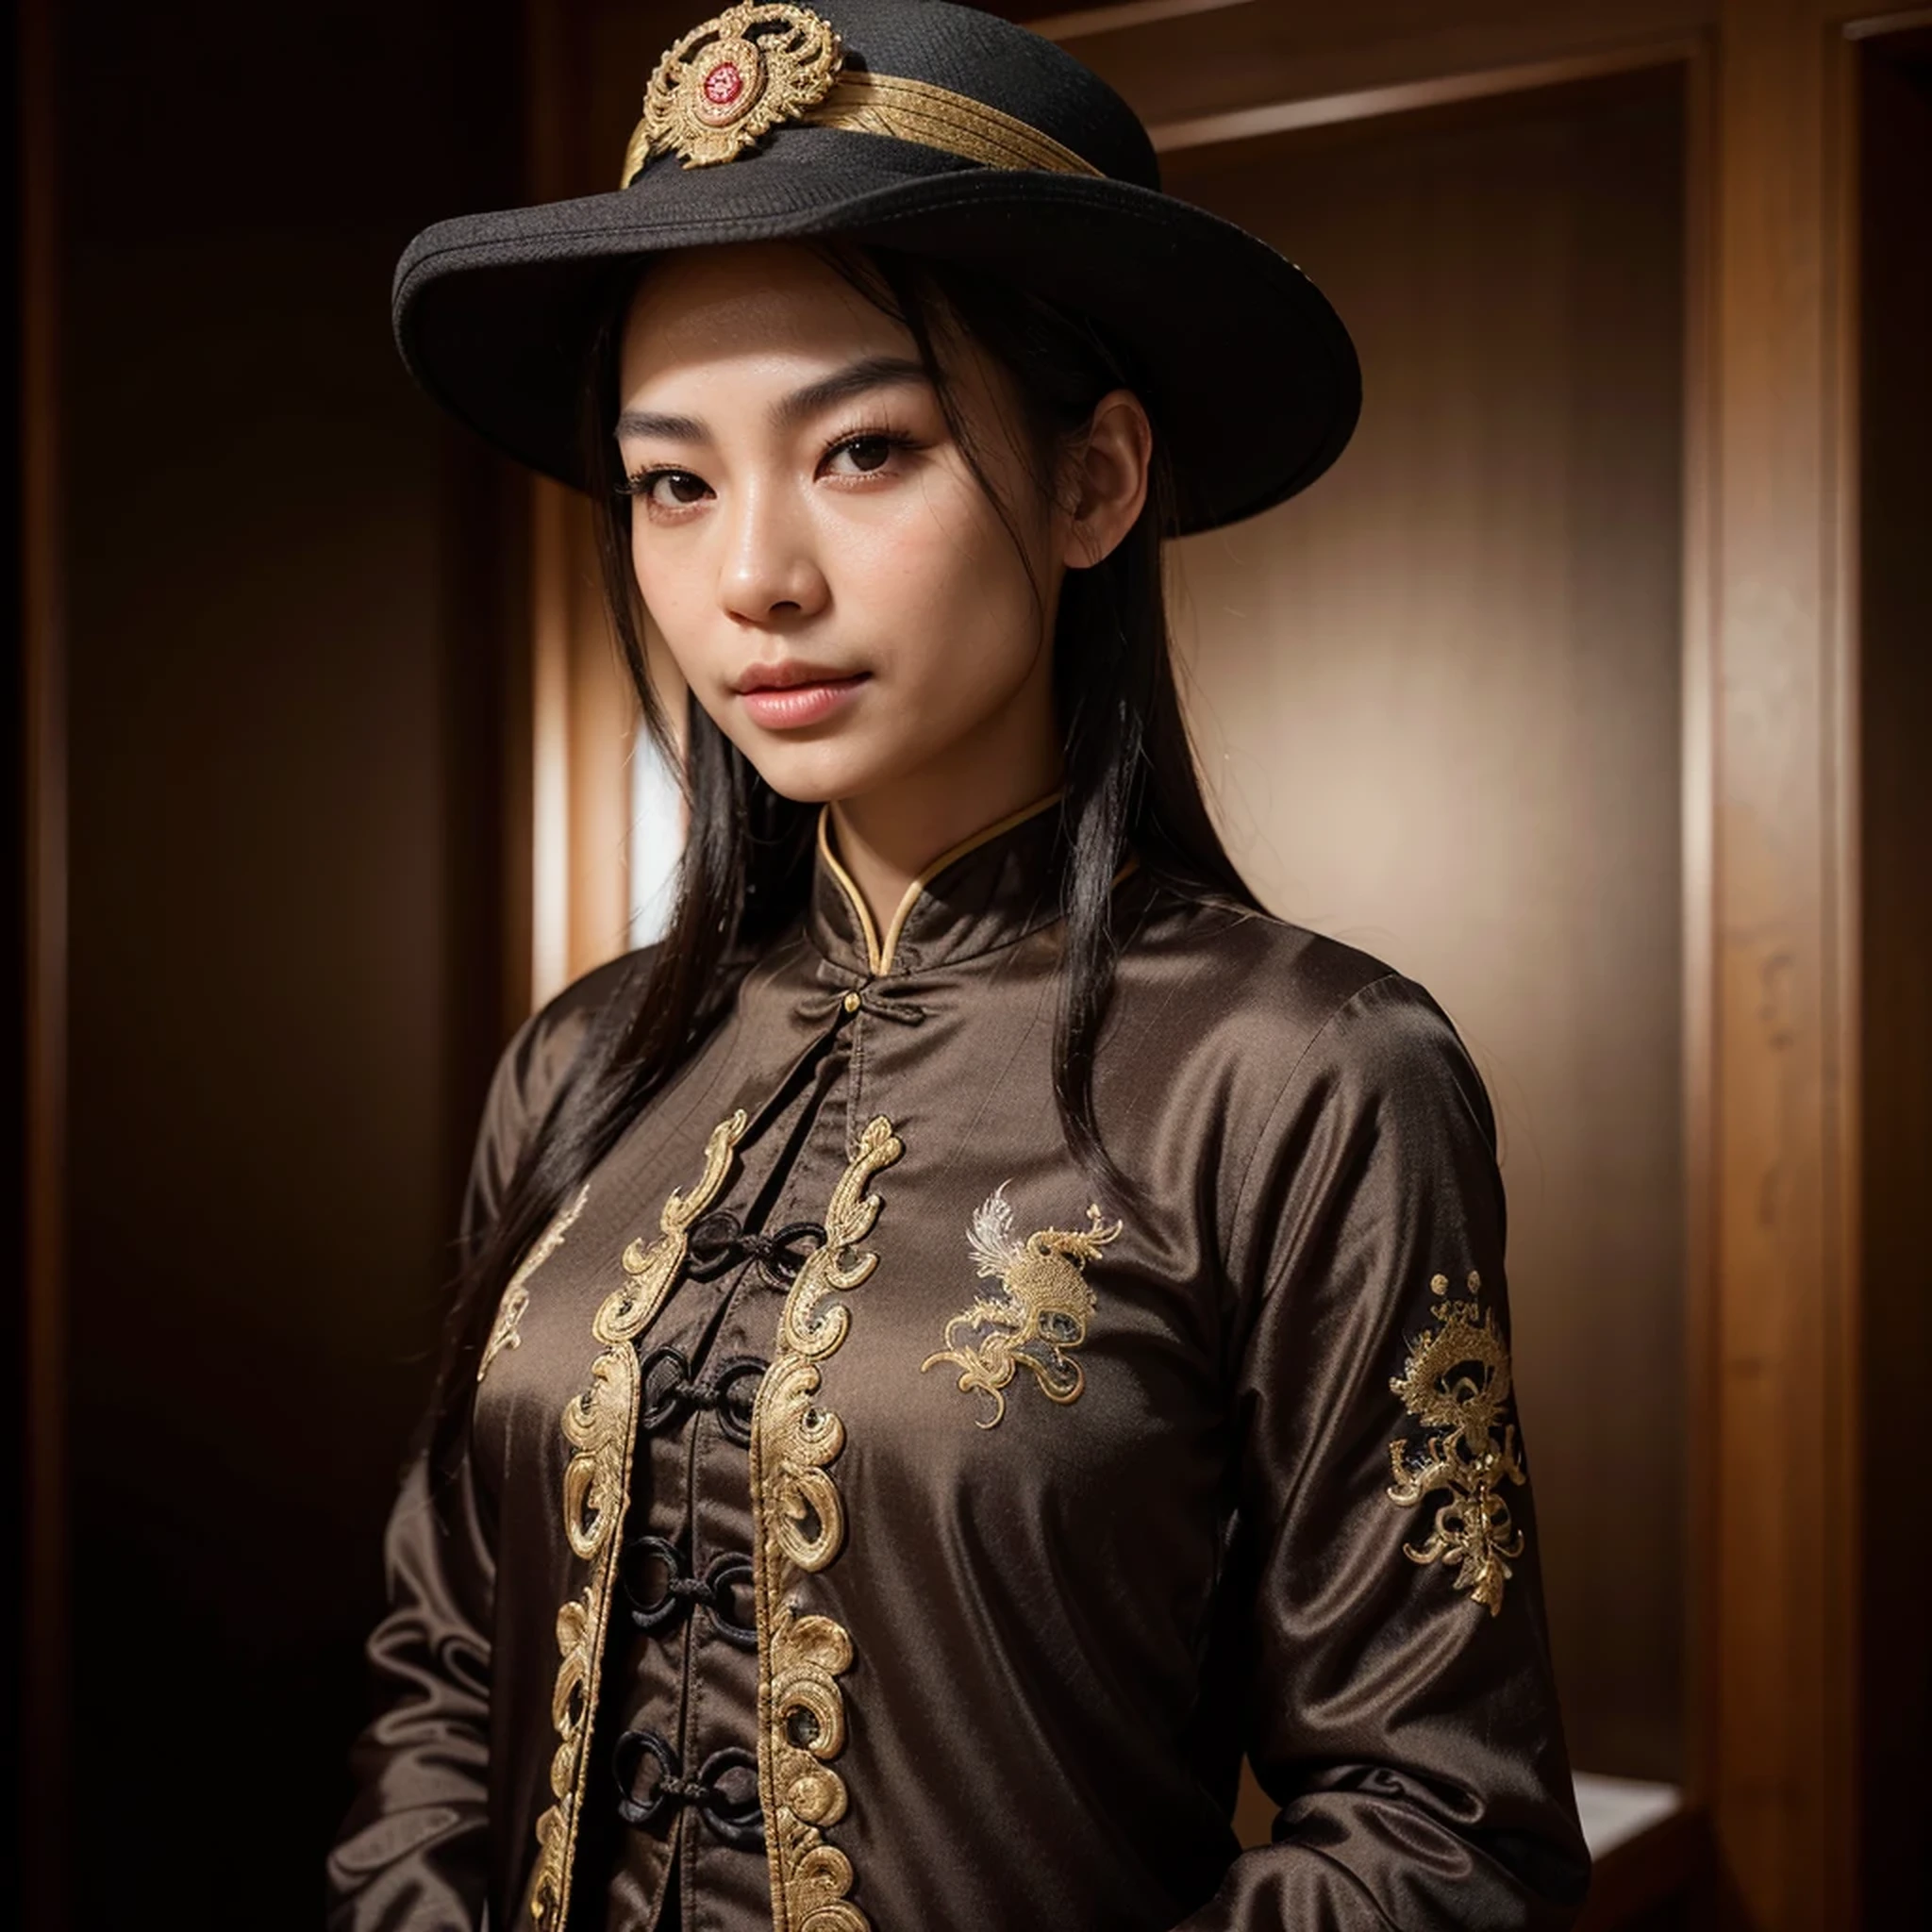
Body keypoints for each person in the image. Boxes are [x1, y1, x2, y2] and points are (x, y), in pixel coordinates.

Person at [329, 4, 1591, 1928]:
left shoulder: (1304, 1070)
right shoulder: (582, 1062)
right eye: (673, 481)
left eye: (863, 447)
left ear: (1095, 484)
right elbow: (439, 1681)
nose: (753, 571)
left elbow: (1442, 1838)